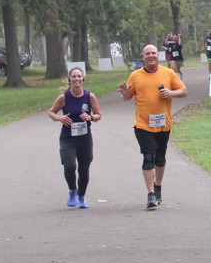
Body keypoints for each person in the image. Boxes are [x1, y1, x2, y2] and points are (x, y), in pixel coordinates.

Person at [118, 45, 187, 209]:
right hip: (143, 124)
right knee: (148, 156)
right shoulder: (135, 76)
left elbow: (184, 91)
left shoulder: (168, 73)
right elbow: (128, 97)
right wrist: (125, 93)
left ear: (158, 55)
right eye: (147, 53)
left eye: (153, 53)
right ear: (143, 57)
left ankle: (158, 187)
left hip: (163, 124)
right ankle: (150, 194)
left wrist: (171, 93)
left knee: (160, 158)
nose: (151, 56)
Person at [48, 66, 102, 209]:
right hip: (68, 138)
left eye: (79, 76)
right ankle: (72, 190)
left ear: (83, 79)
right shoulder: (64, 97)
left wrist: (90, 117)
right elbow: (51, 112)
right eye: (74, 76)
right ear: (70, 79)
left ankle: (82, 197)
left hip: (85, 138)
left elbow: (99, 115)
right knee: (70, 165)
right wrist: (59, 118)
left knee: (84, 168)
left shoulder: (89, 97)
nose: (77, 79)